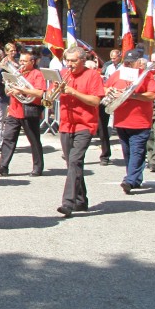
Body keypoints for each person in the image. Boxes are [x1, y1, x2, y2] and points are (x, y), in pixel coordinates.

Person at [55, 46, 104, 217]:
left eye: (73, 61)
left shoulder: (92, 75)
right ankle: (81, 201)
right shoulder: (62, 74)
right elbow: (50, 94)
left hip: (84, 124)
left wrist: (74, 92)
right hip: (66, 124)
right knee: (72, 164)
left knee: (75, 161)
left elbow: (96, 100)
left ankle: (68, 203)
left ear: (83, 60)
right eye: (67, 60)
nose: (69, 64)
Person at [105, 49, 155, 194]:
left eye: (131, 62)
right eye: (126, 62)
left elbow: (152, 95)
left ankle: (130, 180)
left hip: (140, 121)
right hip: (121, 121)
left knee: (137, 151)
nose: (128, 64)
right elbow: (106, 86)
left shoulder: (147, 76)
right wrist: (109, 90)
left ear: (139, 62)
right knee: (128, 152)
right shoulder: (119, 74)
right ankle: (136, 179)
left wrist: (132, 95)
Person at [0, 49, 46, 177]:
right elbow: (8, 87)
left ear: (32, 62)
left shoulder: (37, 74)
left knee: (34, 140)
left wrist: (21, 90)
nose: (21, 63)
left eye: (24, 61)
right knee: (8, 139)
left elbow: (39, 93)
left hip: (29, 110)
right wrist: (9, 90)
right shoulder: (18, 73)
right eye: (20, 60)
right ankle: (3, 166)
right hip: (14, 110)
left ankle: (38, 167)